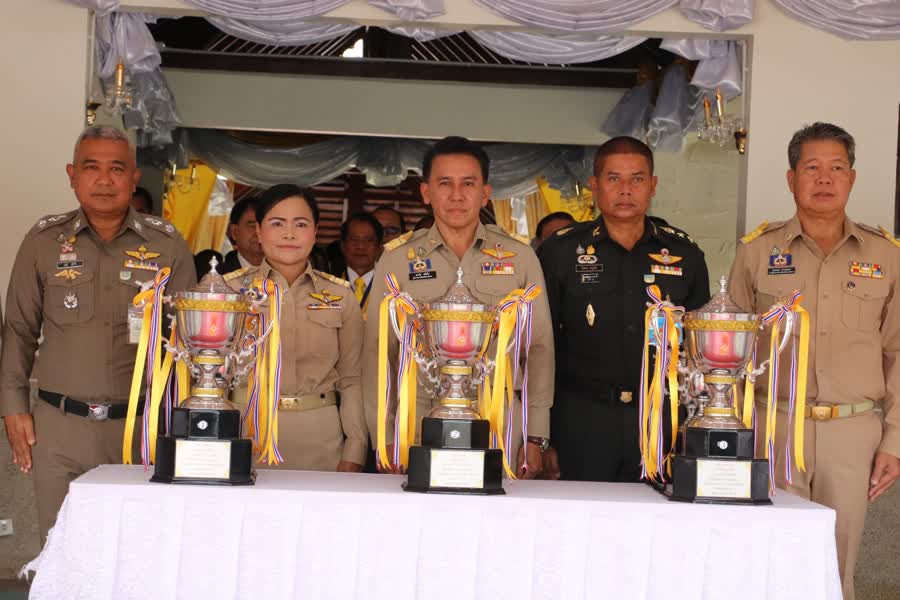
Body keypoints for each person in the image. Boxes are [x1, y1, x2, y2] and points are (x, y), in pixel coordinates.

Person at [727, 122, 899, 600]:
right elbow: (732, 352)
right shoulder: (756, 251)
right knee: (771, 562)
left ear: (852, 178)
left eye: (837, 168)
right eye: (812, 168)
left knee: (835, 568)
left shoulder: (886, 255)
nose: (825, 178)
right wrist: (735, 434)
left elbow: (898, 350)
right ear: (791, 178)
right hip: (774, 427)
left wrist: (895, 440)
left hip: (852, 434)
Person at [0, 126, 195, 539]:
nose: (104, 179)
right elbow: (18, 329)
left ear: (134, 178)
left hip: (139, 428)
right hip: (59, 427)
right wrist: (13, 407)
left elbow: (187, 340)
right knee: (60, 548)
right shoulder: (43, 242)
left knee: (133, 550)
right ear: (72, 175)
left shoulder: (167, 245)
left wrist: (180, 422)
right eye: (92, 167)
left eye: (117, 169)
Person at [362, 136, 554, 478]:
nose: (456, 194)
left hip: (500, 421)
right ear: (426, 192)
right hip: (417, 421)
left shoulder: (520, 258)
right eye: (444, 183)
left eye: (468, 183)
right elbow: (379, 354)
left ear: (485, 193)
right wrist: (385, 435)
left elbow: (538, 349)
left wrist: (536, 436)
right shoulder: (397, 260)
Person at [538, 136, 710, 482]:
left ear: (653, 185)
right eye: (614, 178)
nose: (626, 189)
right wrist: (543, 436)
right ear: (594, 185)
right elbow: (541, 344)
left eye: (637, 179)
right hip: (583, 419)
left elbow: (699, 349)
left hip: (660, 417)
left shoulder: (684, 254)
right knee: (583, 512)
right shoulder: (561, 252)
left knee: (657, 512)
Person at [226, 184, 367, 472]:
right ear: (259, 232)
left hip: (321, 438)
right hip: (243, 433)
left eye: (300, 224)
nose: (289, 234)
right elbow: (212, 377)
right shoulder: (229, 291)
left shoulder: (340, 295)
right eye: (277, 224)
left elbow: (352, 379)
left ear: (315, 233)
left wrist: (355, 449)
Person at [339, 212, 383, 314]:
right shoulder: (326, 285)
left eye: (368, 240)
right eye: (354, 240)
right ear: (343, 246)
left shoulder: (393, 287)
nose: (360, 246)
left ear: (379, 247)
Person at [222, 195, 263, 274]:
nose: (259, 232)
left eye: (265, 226)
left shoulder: (286, 271)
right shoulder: (217, 275)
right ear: (234, 232)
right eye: (252, 226)